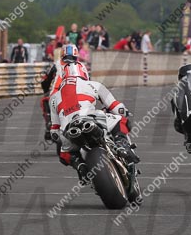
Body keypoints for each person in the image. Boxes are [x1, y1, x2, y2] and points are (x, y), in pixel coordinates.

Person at [49, 48, 137, 181]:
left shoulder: (54, 98)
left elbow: (54, 132)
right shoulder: (94, 85)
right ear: (84, 73)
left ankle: (80, 165)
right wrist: (124, 111)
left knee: (64, 154)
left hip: (69, 130)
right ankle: (121, 144)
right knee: (121, 120)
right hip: (91, 119)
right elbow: (116, 108)